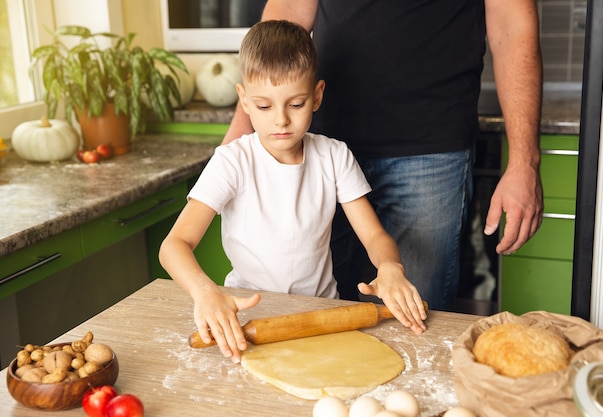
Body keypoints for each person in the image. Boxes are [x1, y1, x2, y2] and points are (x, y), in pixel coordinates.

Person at [223, 0, 544, 311]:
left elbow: (511, 25)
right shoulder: (291, 152)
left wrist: (524, 162)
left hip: (430, 146)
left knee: (414, 314)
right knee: (316, 315)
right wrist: (242, 135)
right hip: (320, 146)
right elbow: (288, 13)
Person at [159, 20, 427, 364]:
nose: (281, 120)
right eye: (264, 106)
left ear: (316, 96)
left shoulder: (334, 156)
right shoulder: (232, 162)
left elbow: (374, 236)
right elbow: (173, 246)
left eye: (296, 104)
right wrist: (205, 291)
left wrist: (390, 267)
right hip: (250, 319)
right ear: (244, 100)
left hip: (320, 315)